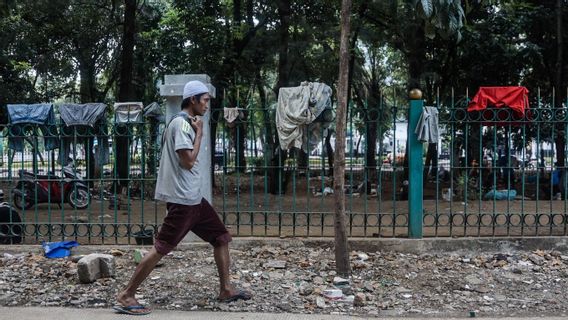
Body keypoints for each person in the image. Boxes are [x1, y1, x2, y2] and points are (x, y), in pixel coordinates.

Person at [114, 81, 251, 315]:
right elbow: (187, 162)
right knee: (161, 247)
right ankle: (127, 294)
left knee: (221, 237)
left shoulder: (186, 123)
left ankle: (226, 289)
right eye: (205, 100)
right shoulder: (182, 125)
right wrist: (200, 133)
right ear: (193, 100)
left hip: (194, 199)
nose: (208, 104)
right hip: (183, 200)